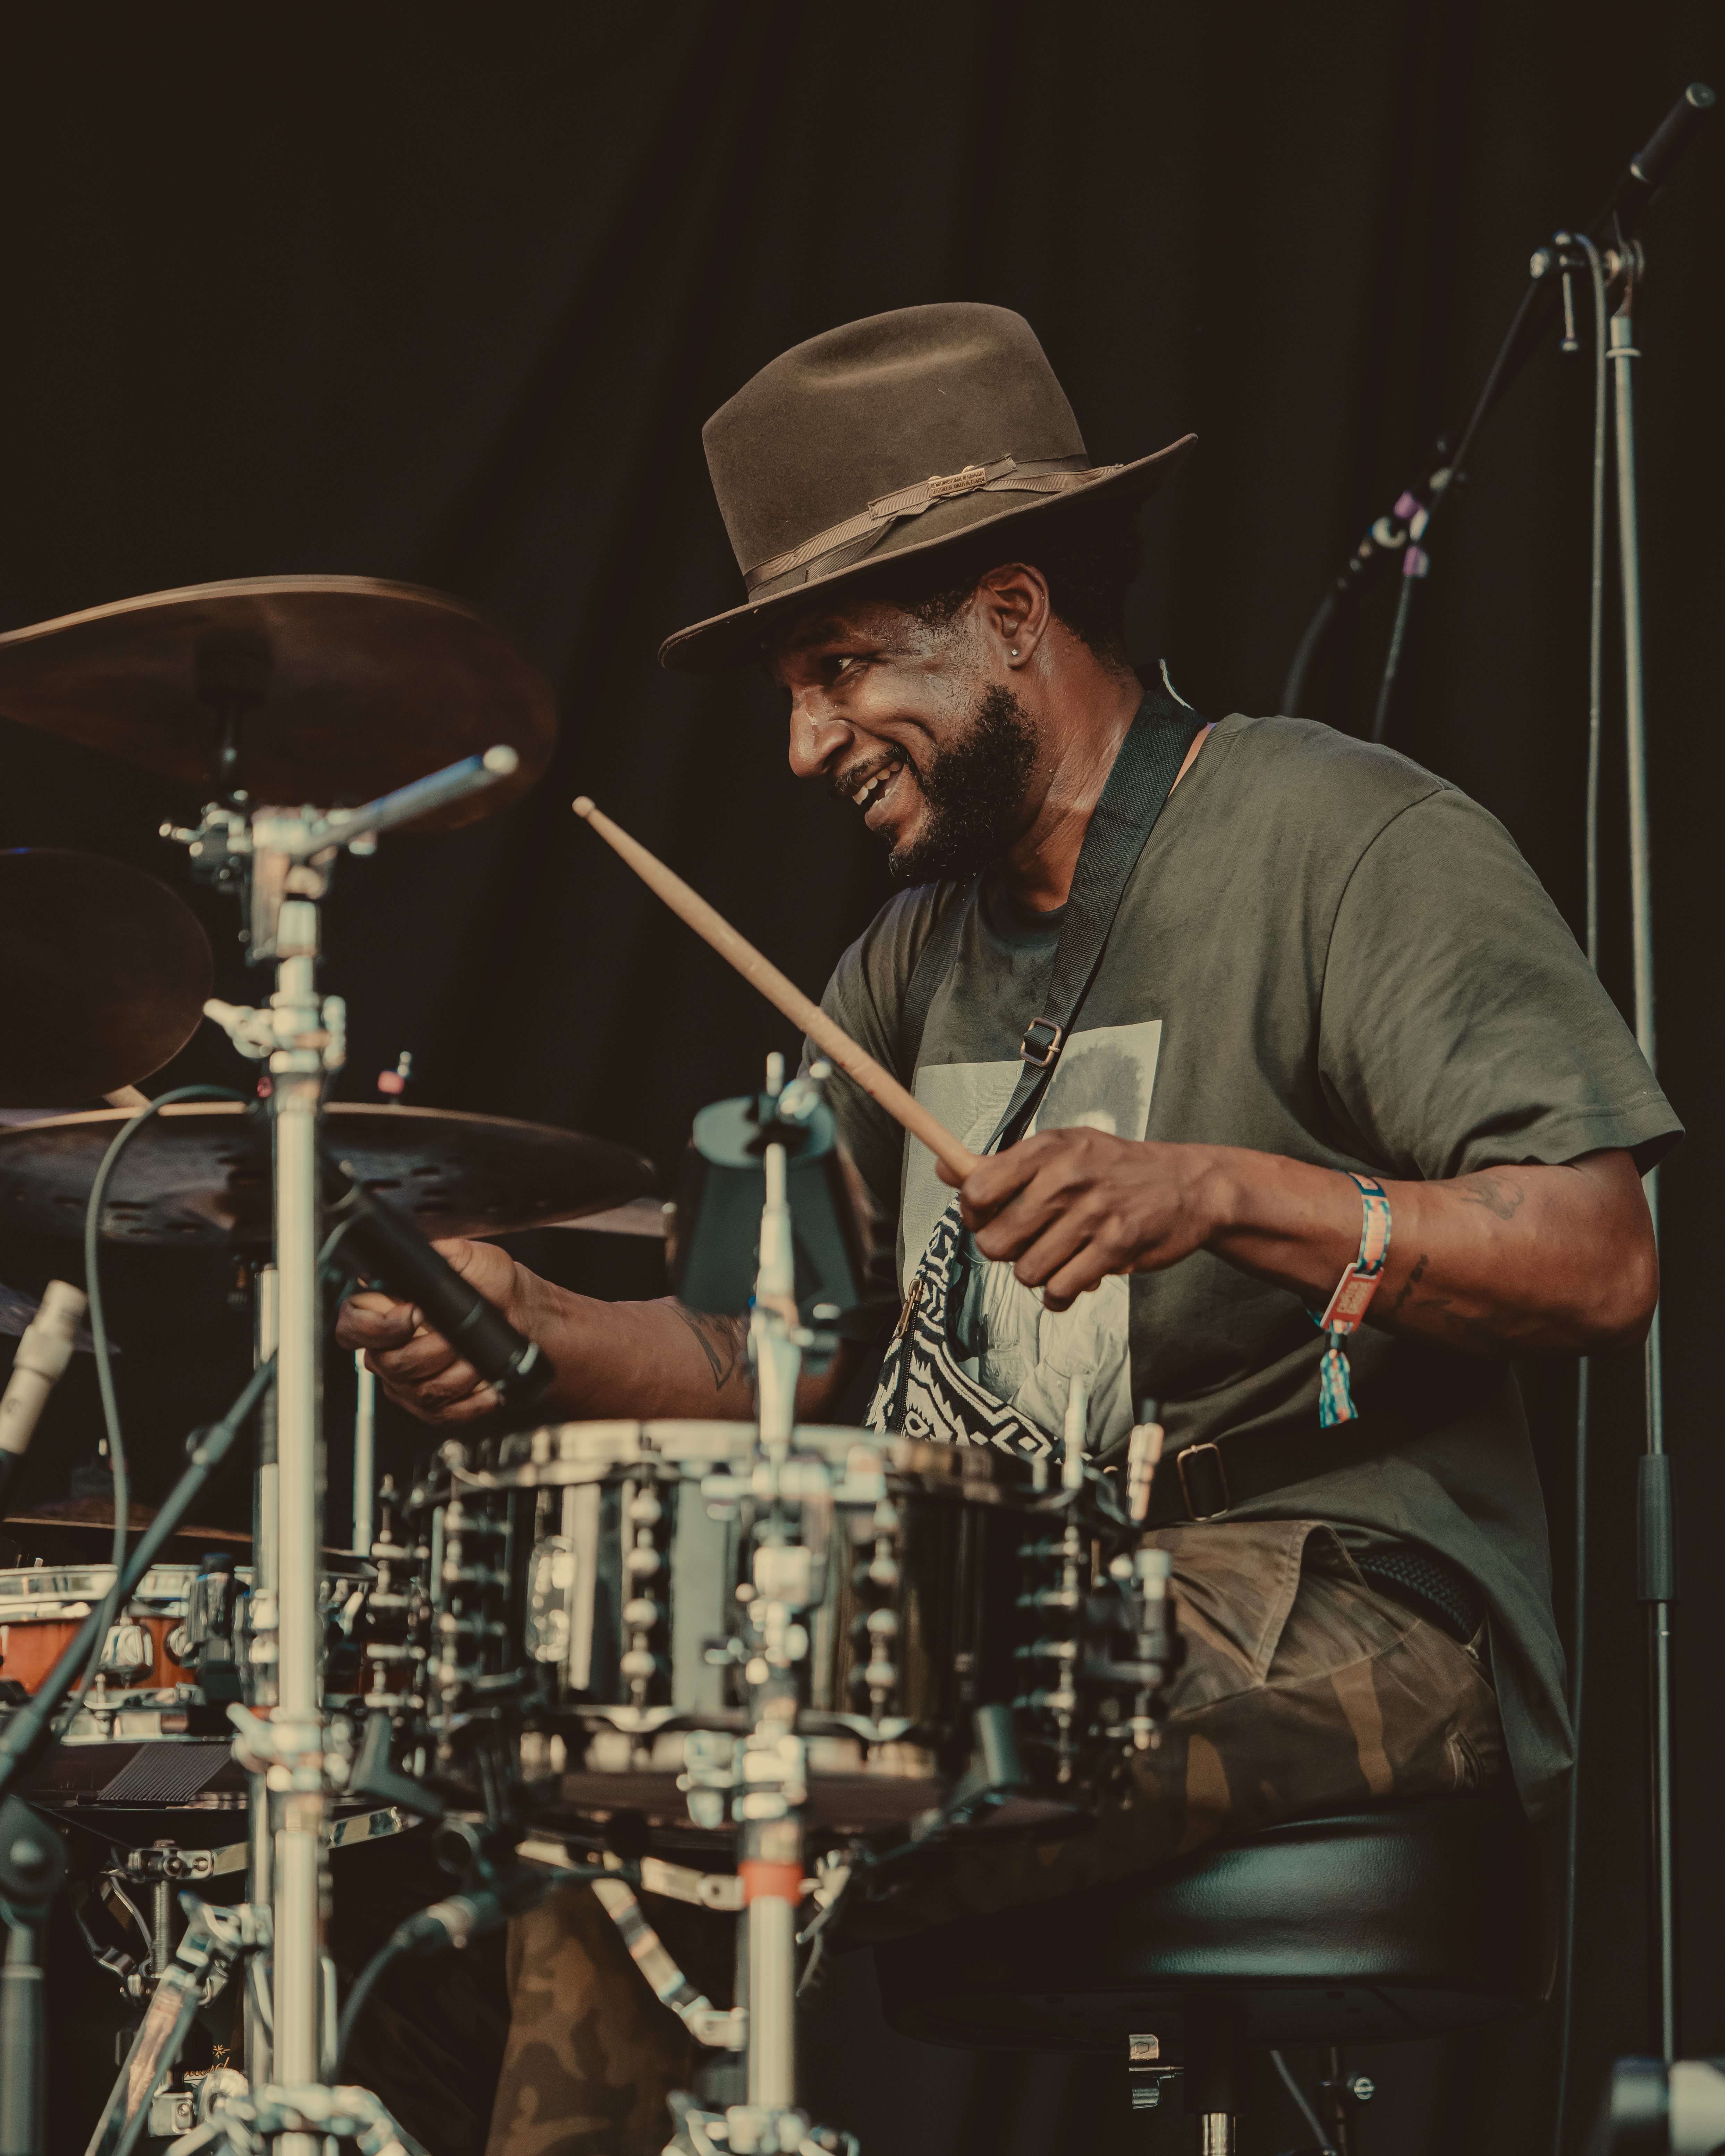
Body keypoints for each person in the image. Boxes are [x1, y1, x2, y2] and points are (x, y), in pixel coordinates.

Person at [338, 303, 1679, 2156]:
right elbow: (794, 1361)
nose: (804, 744)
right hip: (1015, 1610)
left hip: (1354, 1594)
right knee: (496, 1852)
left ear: (1017, 616)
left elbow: (1601, 1255)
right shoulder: (909, 957)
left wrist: (1223, 1188)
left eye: (837, 670)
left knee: (722, 1775)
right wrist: (527, 1328)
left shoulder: (1343, 842)